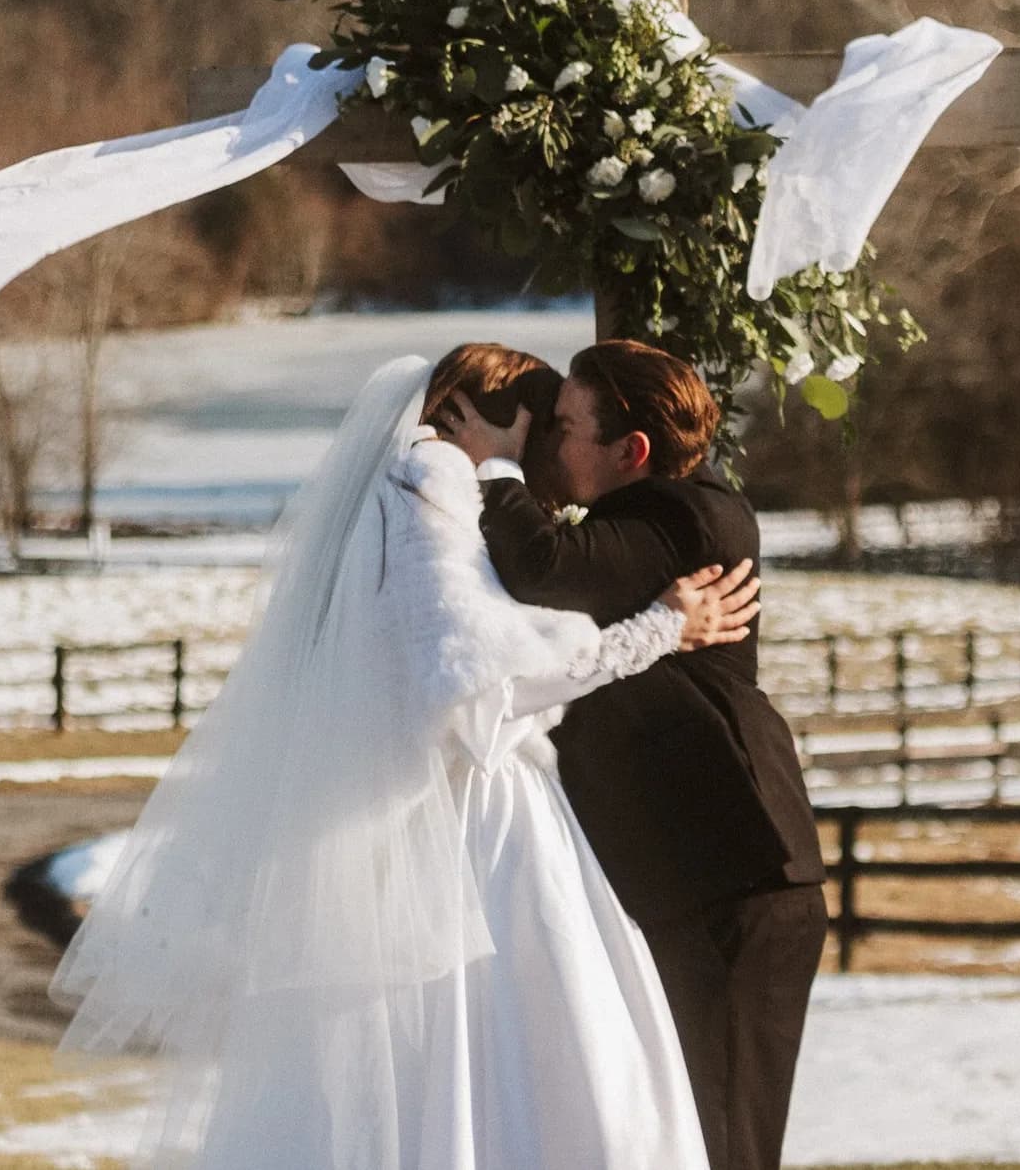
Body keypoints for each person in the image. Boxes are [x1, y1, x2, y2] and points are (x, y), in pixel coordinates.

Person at [50, 346, 759, 1169]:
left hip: (473, 812)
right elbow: (475, 682)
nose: (552, 453)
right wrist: (657, 631)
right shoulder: (431, 490)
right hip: (471, 828)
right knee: (528, 1066)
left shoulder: (418, 494)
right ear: (492, 421)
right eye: (545, 426)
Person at [440, 339, 827, 1170]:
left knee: (722, 1144)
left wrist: (497, 464)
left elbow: (541, 569)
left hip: (728, 875)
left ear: (632, 451)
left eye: (567, 426)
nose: (552, 443)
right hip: (715, 870)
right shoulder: (677, 510)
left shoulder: (672, 519)